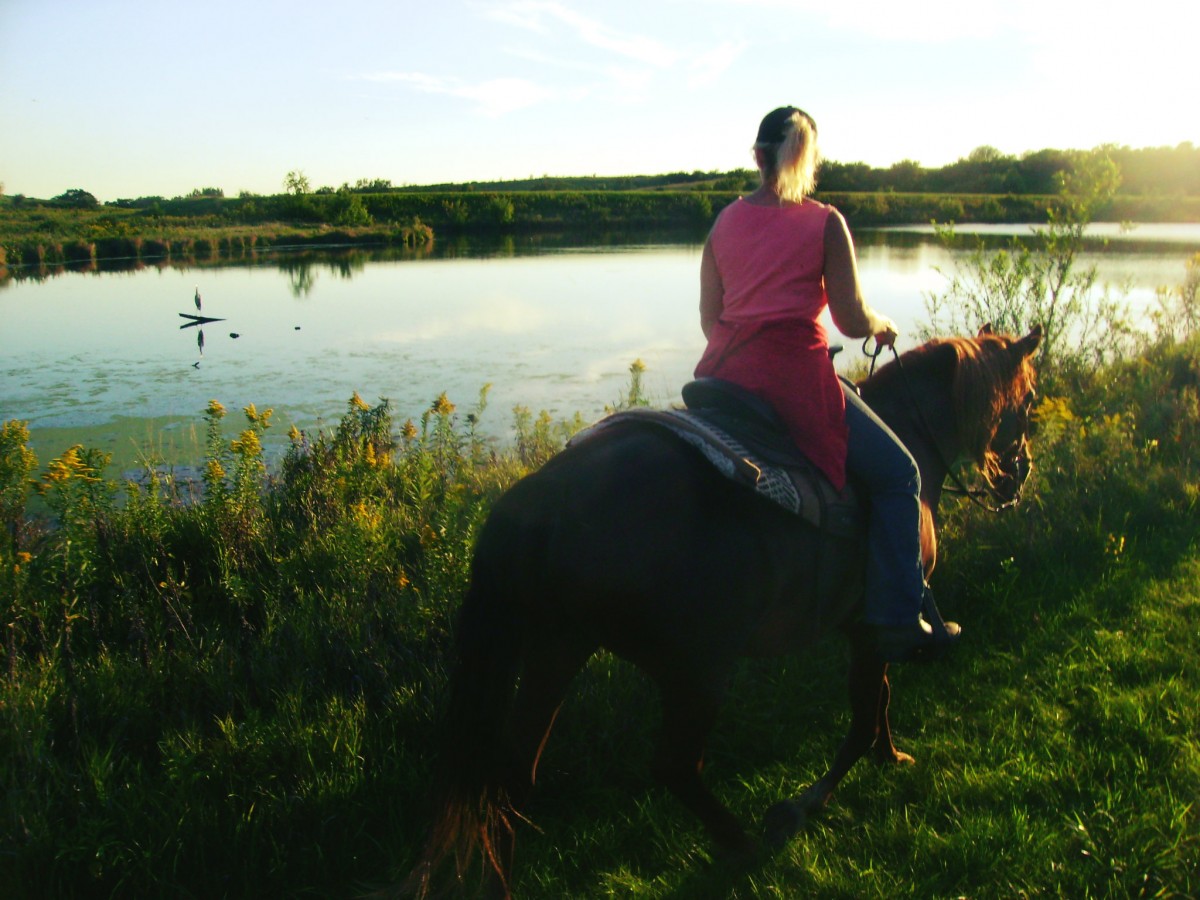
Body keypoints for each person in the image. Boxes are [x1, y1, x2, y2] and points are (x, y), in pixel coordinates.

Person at [694, 105, 959, 663]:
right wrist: (881, 325)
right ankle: (897, 617)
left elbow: (709, 318)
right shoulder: (825, 221)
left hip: (725, 373)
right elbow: (850, 318)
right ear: (807, 160)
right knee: (898, 474)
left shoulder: (723, 223)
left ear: (758, 157)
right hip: (795, 380)